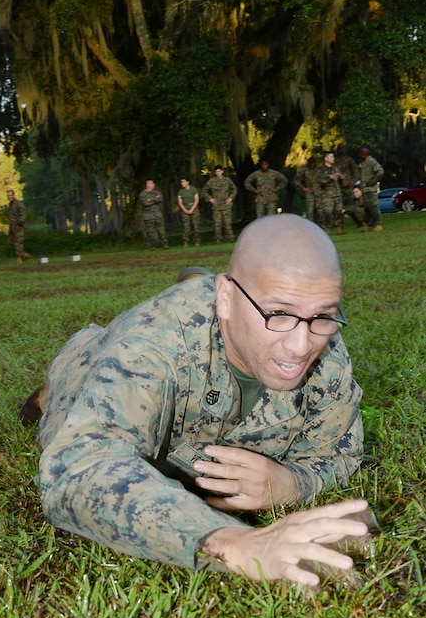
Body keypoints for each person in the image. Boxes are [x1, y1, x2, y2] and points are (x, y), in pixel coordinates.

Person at [34, 214, 369, 587]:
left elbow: (339, 453)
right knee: (66, 403)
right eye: (278, 314)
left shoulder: (327, 350)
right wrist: (237, 543)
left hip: (211, 322)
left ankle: (204, 285)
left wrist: (290, 483)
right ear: (225, 298)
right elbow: (78, 468)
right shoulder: (152, 347)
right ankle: (77, 362)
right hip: (100, 363)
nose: (302, 345)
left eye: (323, 315)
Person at [202, 165, 237, 243]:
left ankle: (231, 238)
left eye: (219, 171)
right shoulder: (212, 181)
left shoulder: (227, 180)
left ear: (222, 171)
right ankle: (218, 238)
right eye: (216, 171)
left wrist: (231, 198)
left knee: (227, 223)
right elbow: (204, 190)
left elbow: (234, 189)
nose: (218, 173)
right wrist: (210, 198)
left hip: (226, 205)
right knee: (217, 223)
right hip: (216, 206)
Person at [316, 151, 344, 235]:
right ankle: (326, 229)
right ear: (326, 158)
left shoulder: (335, 168)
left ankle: (338, 228)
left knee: (339, 212)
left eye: (333, 157)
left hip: (337, 193)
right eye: (331, 157)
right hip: (327, 195)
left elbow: (339, 182)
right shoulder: (321, 170)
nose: (333, 158)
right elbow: (319, 181)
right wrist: (329, 179)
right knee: (327, 212)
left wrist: (341, 178)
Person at [357, 147, 384, 231]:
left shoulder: (371, 161)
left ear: (363, 153)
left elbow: (380, 171)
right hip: (364, 190)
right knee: (367, 208)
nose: (358, 155)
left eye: (360, 153)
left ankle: (378, 224)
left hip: (371, 189)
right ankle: (371, 225)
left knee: (374, 207)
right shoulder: (363, 163)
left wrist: (373, 181)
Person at [138, 179, 168, 249]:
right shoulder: (143, 194)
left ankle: (165, 243)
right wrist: (154, 200)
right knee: (150, 231)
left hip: (157, 214)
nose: (153, 185)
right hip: (148, 215)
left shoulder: (157, 193)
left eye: (153, 184)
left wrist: (150, 200)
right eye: (152, 184)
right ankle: (152, 245)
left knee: (161, 229)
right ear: (148, 185)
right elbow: (145, 203)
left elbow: (160, 199)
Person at [7, 189, 29, 264]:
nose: (9, 197)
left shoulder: (19, 204)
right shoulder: (10, 205)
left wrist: (19, 224)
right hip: (12, 227)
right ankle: (23, 254)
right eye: (8, 196)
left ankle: (19, 257)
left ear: (13, 195)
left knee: (18, 242)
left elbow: (23, 215)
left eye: (10, 195)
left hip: (19, 227)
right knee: (11, 242)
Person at [334, 144, 358, 214]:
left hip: (348, 185)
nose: (340, 150)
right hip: (337, 186)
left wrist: (352, 182)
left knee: (350, 205)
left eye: (342, 149)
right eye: (339, 149)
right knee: (338, 205)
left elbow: (356, 172)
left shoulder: (349, 160)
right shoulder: (334, 160)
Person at [177, 177, 200, 247]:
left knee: (195, 226)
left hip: (194, 209)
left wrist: (191, 210)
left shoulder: (193, 189)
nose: (182, 184)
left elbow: (196, 200)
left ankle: (196, 241)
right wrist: (185, 210)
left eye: (183, 182)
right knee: (186, 227)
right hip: (185, 209)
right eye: (181, 182)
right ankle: (186, 241)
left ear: (188, 182)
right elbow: (180, 202)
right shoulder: (181, 191)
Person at [295, 157, 317, 221]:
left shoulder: (319, 170)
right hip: (309, 193)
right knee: (310, 211)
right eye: (310, 163)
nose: (312, 165)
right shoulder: (304, 170)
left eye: (313, 163)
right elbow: (297, 181)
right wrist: (303, 188)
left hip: (319, 193)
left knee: (319, 211)